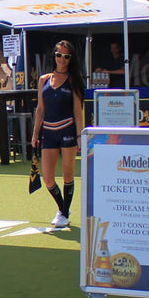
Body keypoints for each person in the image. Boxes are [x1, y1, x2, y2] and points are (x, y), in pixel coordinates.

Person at [32, 40, 85, 228]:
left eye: (66, 56)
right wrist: (35, 133)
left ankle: (64, 213)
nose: (62, 59)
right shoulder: (44, 80)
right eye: (59, 55)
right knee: (47, 178)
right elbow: (40, 109)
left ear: (71, 59)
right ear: (54, 56)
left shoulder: (73, 80)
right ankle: (63, 209)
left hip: (67, 130)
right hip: (49, 131)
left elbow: (78, 110)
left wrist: (80, 136)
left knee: (68, 173)